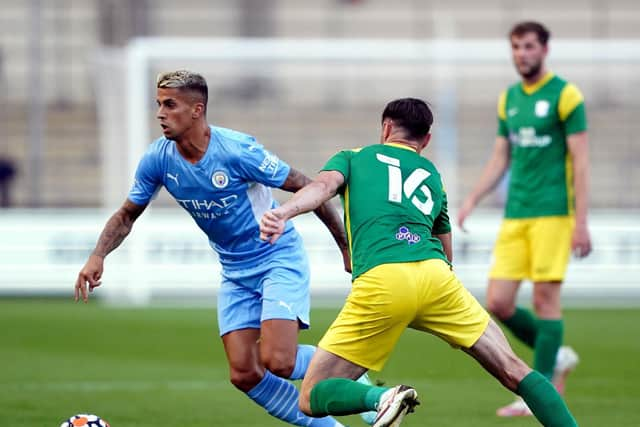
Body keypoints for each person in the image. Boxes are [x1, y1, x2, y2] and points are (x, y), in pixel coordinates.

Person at [259, 98, 579, 427]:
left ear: (385, 128)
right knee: (515, 369)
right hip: (437, 278)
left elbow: (322, 188)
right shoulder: (431, 176)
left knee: (311, 395)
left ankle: (382, 398)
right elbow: (446, 252)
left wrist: (284, 212)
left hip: (383, 281)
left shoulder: (354, 157)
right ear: (425, 140)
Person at [75, 70, 357, 427]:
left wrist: (344, 246)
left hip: (276, 258)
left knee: (279, 362)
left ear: (197, 109)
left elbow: (310, 188)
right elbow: (128, 214)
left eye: (170, 105)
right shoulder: (158, 159)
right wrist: (98, 254)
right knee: (244, 373)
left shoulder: (238, 151)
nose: (160, 113)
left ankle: (352, 372)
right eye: (158, 104)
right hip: (235, 271)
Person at [457, 21, 590, 417]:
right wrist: (472, 199)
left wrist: (581, 221)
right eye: (516, 47)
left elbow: (580, 161)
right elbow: (501, 156)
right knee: (498, 301)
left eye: (529, 46)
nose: (522, 54)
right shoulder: (509, 100)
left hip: (553, 213)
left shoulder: (566, 96)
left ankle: (541, 388)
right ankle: (559, 355)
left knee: (545, 301)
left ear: (544, 50)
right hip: (516, 214)